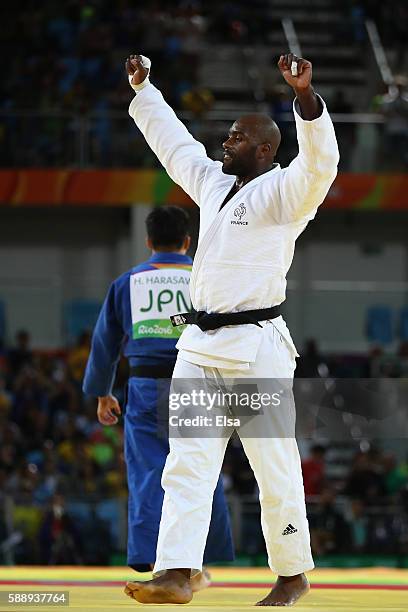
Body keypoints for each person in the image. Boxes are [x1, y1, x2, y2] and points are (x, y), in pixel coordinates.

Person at [124, 52, 339, 606]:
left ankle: (292, 575)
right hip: (198, 347)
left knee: (274, 468)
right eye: (228, 135)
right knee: (187, 465)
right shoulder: (216, 185)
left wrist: (306, 99)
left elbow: (320, 166)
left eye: (239, 138)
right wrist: (145, 90)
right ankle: (176, 570)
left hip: (257, 350)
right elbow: (176, 148)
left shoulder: (286, 194)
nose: (226, 142)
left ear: (266, 149)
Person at [82, 206, 234, 588]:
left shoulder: (127, 282)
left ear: (148, 242)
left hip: (146, 386)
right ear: (188, 242)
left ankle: (150, 556)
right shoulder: (207, 279)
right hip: (200, 383)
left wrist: (102, 393)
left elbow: (105, 344)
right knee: (201, 469)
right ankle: (198, 558)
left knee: (150, 470)